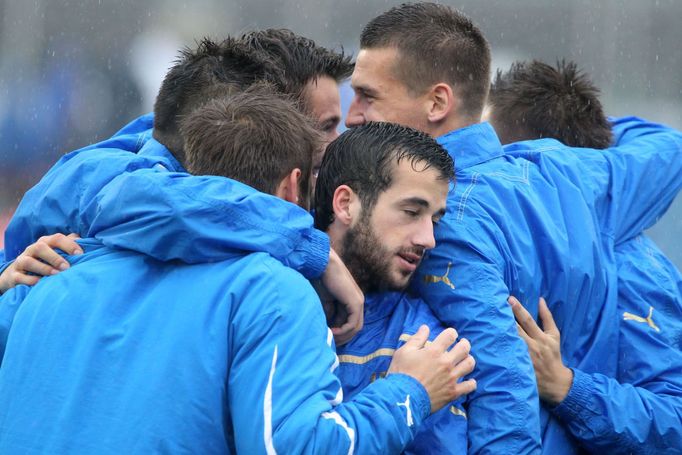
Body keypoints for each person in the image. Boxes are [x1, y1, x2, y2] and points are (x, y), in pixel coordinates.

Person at [0, 88, 474, 453]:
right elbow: (292, 447)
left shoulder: (49, 271)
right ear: (294, 187)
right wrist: (410, 392)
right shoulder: (271, 291)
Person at [344, 3, 682, 453]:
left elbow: (503, 376)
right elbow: (666, 149)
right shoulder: (564, 169)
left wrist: (569, 389)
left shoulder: (439, 223)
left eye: (369, 96)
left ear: (437, 103)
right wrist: (561, 116)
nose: (353, 115)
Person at [0, 32, 363, 344]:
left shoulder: (176, 166)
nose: (337, 142)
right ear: (255, 122)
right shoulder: (113, 177)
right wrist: (312, 249)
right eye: (324, 127)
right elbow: (156, 204)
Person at [488, 59, 682, 452]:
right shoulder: (531, 234)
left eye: (494, 153)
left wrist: (568, 388)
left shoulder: (633, 274)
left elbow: (673, 418)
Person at [314, 121, 473, 454]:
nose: (428, 239)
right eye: (411, 212)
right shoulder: (269, 299)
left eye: (435, 220)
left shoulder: (424, 342)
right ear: (345, 204)